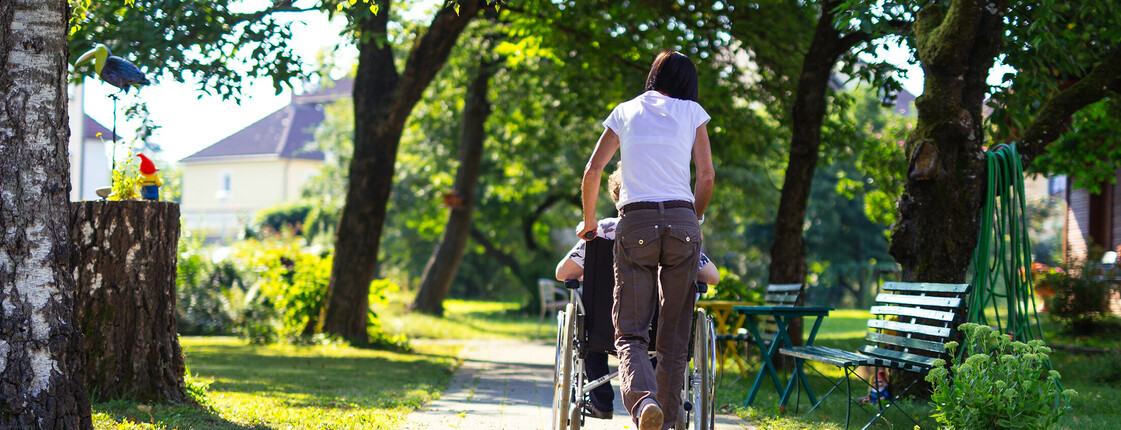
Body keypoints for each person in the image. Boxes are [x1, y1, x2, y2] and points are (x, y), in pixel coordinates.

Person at [577, 50, 714, 430]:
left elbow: (593, 171)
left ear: (654, 75)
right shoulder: (693, 113)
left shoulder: (625, 111)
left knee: (632, 330)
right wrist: (695, 217)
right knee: (673, 335)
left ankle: (643, 402)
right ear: (688, 83)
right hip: (683, 223)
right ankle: (667, 423)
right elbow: (706, 178)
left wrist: (590, 223)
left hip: (635, 223)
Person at [555, 168, 719, 420]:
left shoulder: (599, 232)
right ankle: (658, 399)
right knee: (659, 331)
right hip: (660, 328)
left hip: (604, 329)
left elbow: (562, 272)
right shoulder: (674, 231)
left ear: (617, 197)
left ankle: (602, 401)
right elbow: (712, 277)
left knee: (589, 325)